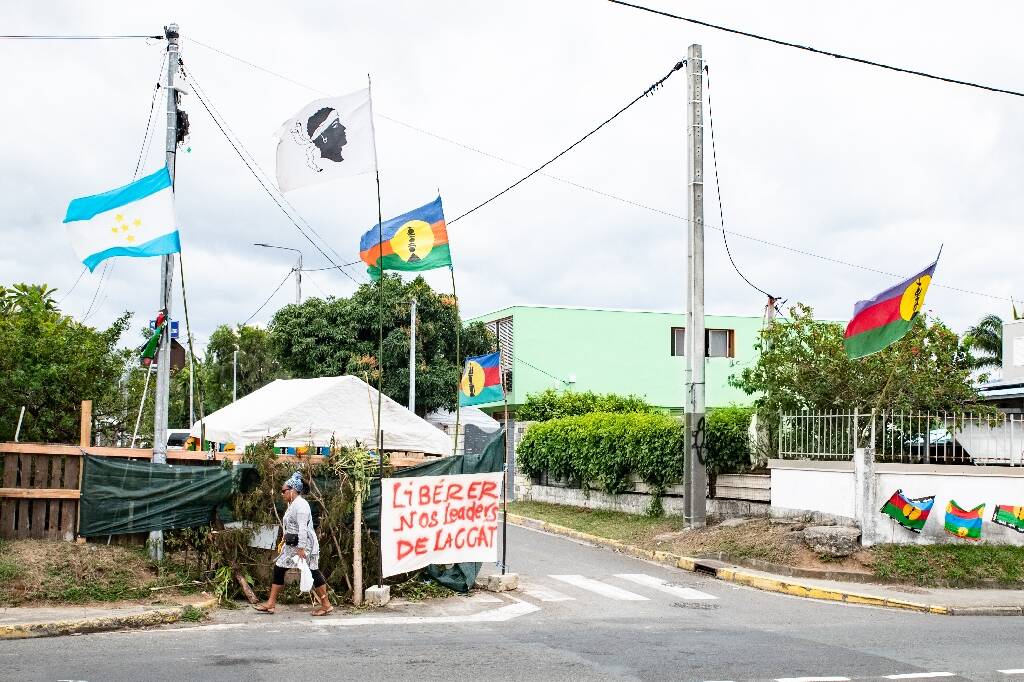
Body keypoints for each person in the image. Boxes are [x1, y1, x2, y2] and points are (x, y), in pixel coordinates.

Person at [254, 471, 333, 616]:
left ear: (293, 490)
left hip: (304, 546)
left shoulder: (301, 506)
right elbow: (292, 526)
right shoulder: (293, 504)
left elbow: (303, 528)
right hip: (292, 546)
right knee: (279, 569)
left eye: (284, 491)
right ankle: (271, 604)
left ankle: (326, 605)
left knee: (313, 571)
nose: (282, 493)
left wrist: (302, 548)